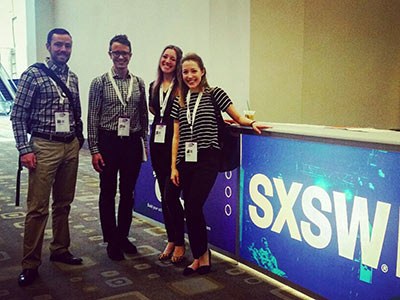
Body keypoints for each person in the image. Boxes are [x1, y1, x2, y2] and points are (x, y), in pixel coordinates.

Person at [170, 53, 269, 275]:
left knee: (194, 206)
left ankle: (202, 255)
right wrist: (174, 166)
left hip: (208, 158)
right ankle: (199, 256)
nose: (189, 75)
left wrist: (250, 122)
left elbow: (237, 116)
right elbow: (177, 136)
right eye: (185, 72)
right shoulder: (181, 100)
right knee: (186, 205)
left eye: (193, 71)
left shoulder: (215, 93)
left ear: (202, 71)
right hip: (186, 158)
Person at [10, 28, 84, 287]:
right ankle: (30, 264)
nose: (63, 50)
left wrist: (78, 139)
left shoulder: (73, 78)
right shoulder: (33, 75)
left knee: (64, 203)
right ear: (48, 46)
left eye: (67, 46)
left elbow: (77, 112)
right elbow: (17, 115)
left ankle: (60, 249)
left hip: (69, 146)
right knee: (37, 208)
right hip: (43, 146)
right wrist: (24, 150)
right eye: (58, 45)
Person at [87, 34, 148, 261]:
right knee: (108, 191)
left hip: (131, 142)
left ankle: (123, 235)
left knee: (128, 193)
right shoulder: (99, 82)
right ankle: (111, 240)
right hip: (108, 141)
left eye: (125, 53)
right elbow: (92, 116)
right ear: (110, 54)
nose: (120, 56)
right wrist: (94, 149)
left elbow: (143, 115)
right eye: (116, 52)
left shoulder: (139, 82)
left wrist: (144, 143)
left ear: (130, 55)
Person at [148, 45, 185, 263]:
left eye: (173, 58)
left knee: (172, 196)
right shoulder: (153, 86)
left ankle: (180, 242)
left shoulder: (181, 87)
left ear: (177, 63)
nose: (168, 61)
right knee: (164, 196)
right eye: (165, 56)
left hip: (174, 146)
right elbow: (154, 111)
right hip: (157, 145)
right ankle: (171, 238)